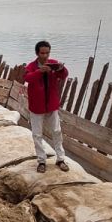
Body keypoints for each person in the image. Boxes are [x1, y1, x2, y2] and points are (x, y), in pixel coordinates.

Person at [24, 40, 69, 174]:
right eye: (42, 53)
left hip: (52, 105)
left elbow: (64, 75)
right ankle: (41, 161)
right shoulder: (31, 66)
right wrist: (40, 71)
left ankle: (60, 159)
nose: (45, 56)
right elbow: (28, 78)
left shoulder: (53, 64)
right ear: (37, 53)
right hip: (37, 107)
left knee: (57, 131)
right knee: (37, 134)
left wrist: (61, 68)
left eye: (47, 53)